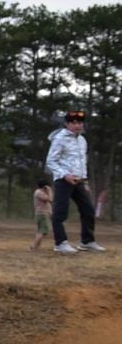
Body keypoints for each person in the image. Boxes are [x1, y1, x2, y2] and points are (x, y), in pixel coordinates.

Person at [45, 109, 104, 254]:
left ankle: (87, 241)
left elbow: (82, 162)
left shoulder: (82, 140)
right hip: (64, 180)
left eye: (80, 123)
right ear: (67, 124)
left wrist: (85, 181)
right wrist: (65, 175)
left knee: (88, 210)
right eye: (74, 123)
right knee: (60, 213)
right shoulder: (60, 138)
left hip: (79, 181)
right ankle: (60, 243)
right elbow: (51, 161)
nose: (77, 126)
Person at [31, 180, 53, 251]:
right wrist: (49, 191)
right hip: (42, 214)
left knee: (41, 231)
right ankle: (34, 246)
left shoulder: (40, 192)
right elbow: (50, 199)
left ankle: (37, 246)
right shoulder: (39, 192)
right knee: (43, 231)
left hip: (42, 214)